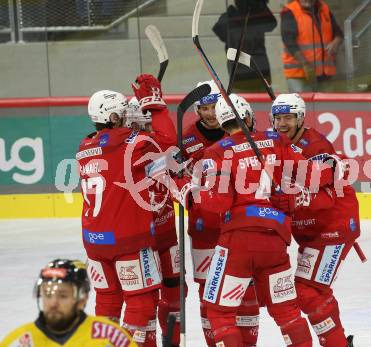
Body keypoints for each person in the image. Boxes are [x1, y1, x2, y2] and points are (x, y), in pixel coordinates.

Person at [193, 93, 336, 347]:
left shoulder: (216, 152)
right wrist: (333, 166)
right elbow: (309, 175)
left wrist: (187, 189)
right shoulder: (275, 140)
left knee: (219, 313)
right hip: (274, 242)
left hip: (237, 242)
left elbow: (219, 203)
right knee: (288, 314)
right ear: (248, 117)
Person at [77, 74, 176, 347]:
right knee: (142, 302)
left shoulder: (84, 147)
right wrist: (154, 104)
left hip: (95, 241)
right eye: (122, 113)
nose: (127, 117)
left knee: (107, 300)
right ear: (112, 118)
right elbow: (169, 146)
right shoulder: (132, 144)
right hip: (127, 240)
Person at [271, 93, 360, 347]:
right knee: (309, 292)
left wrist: (286, 201)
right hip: (312, 230)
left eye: (288, 117)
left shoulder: (316, 147)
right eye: (278, 118)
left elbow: (322, 198)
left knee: (309, 292)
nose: (282, 124)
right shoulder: (277, 142)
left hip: (334, 225)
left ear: (300, 119)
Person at [181, 81, 260, 346]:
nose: (211, 113)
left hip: (238, 223)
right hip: (204, 225)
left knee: (245, 287)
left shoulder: (242, 132)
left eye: (215, 107)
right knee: (208, 290)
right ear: (197, 110)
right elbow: (181, 175)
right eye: (205, 108)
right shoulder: (187, 137)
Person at [124, 96, 181, 347]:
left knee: (176, 294)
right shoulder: (125, 151)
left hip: (167, 235)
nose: (146, 133)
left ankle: (173, 343)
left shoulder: (156, 145)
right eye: (139, 127)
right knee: (144, 301)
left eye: (149, 127)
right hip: (140, 241)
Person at [0, 258, 137, 347]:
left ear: (82, 299)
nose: (53, 303)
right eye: (48, 294)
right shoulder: (19, 341)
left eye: (63, 296)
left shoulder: (112, 337)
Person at [212, 0, 277, 92]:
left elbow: (272, 24)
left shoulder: (229, 17)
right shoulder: (257, 18)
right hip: (247, 71)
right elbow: (271, 24)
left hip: (248, 71)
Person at [281, 0, 343, 92]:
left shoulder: (324, 8)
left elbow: (339, 33)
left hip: (324, 74)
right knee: (302, 105)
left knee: (325, 105)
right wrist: (306, 65)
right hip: (299, 74)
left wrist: (336, 42)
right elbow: (289, 41)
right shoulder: (290, 11)